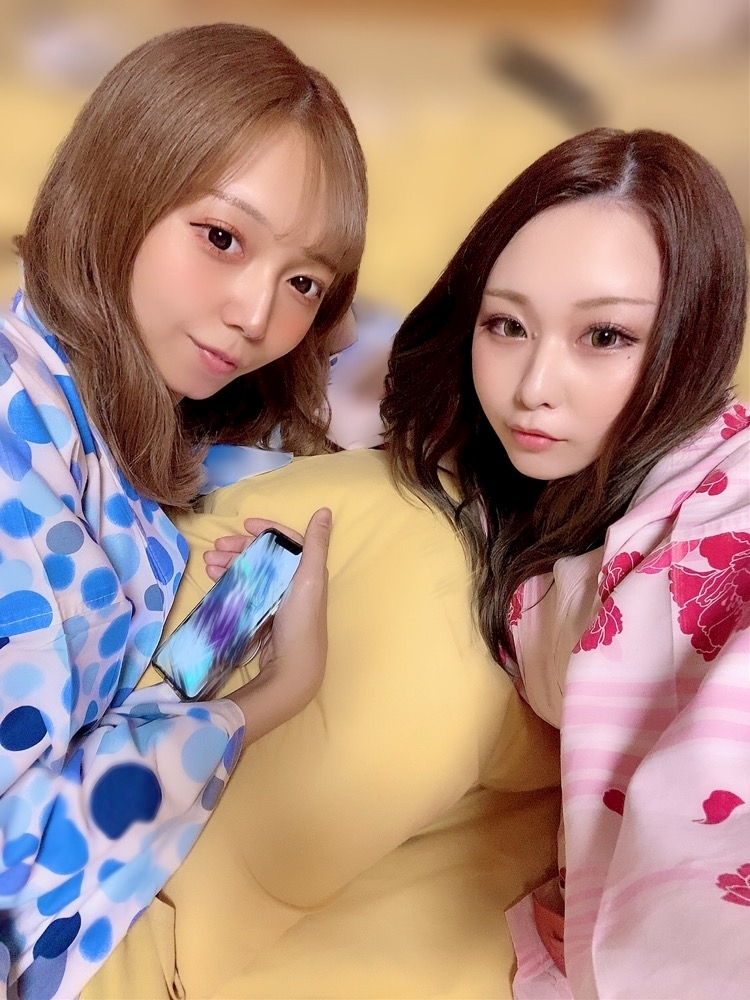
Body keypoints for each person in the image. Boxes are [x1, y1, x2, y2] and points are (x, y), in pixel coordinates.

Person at [0, 21, 367, 998]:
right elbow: (19, 874)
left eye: (302, 281)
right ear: (122, 184)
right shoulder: (15, 426)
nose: (257, 315)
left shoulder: (133, 428)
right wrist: (277, 693)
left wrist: (238, 609)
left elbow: (134, 696)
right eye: (222, 238)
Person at [382, 126, 749, 998]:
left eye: (606, 336)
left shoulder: (718, 513)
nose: (534, 386)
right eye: (507, 324)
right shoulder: (513, 499)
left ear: (694, 338)